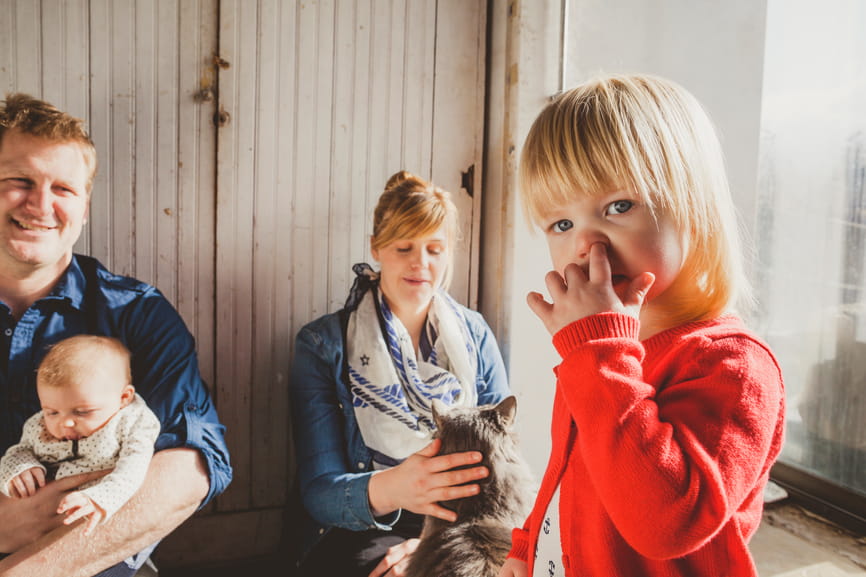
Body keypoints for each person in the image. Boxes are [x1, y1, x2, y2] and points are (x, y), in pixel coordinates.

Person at [499, 74, 785, 577]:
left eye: (618, 207)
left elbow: (666, 526)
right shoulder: (602, 351)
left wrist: (597, 354)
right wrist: (524, 549)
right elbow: (568, 472)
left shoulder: (733, 366)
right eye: (562, 224)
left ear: (694, 210)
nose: (588, 245)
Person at [0, 93, 232, 576]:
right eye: (19, 181)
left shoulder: (136, 314)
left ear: (84, 208)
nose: (40, 204)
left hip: (89, 558)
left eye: (64, 188)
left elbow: (193, 464)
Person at [291, 170, 510, 577]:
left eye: (435, 249)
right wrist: (398, 487)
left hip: (464, 525)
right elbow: (320, 493)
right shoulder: (322, 345)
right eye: (404, 246)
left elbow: (504, 470)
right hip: (367, 525)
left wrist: (431, 547)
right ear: (376, 246)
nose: (420, 263)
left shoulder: (475, 335)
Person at [0, 335, 161, 536]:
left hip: (96, 518)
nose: (65, 423)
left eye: (82, 412)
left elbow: (133, 469)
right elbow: (19, 451)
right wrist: (20, 468)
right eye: (52, 412)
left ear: (123, 397)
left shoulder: (133, 422)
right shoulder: (38, 425)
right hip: (34, 520)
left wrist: (100, 498)